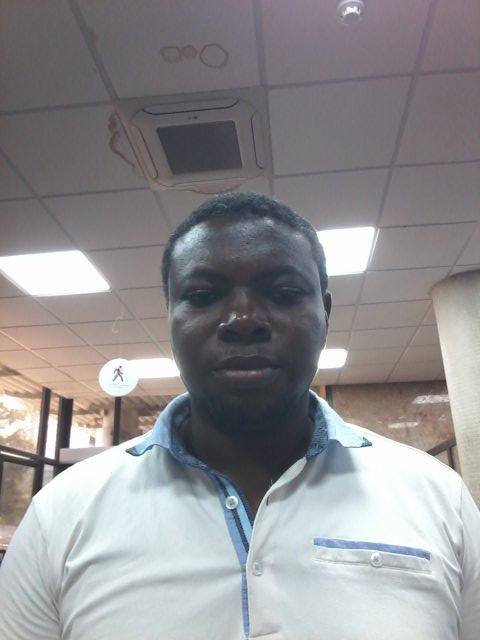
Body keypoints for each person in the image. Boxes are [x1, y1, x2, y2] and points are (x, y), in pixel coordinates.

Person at [0, 192, 479, 639]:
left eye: (284, 292)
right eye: (203, 296)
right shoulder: (60, 515)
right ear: (170, 318)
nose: (244, 320)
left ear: (325, 314)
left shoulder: (439, 499)